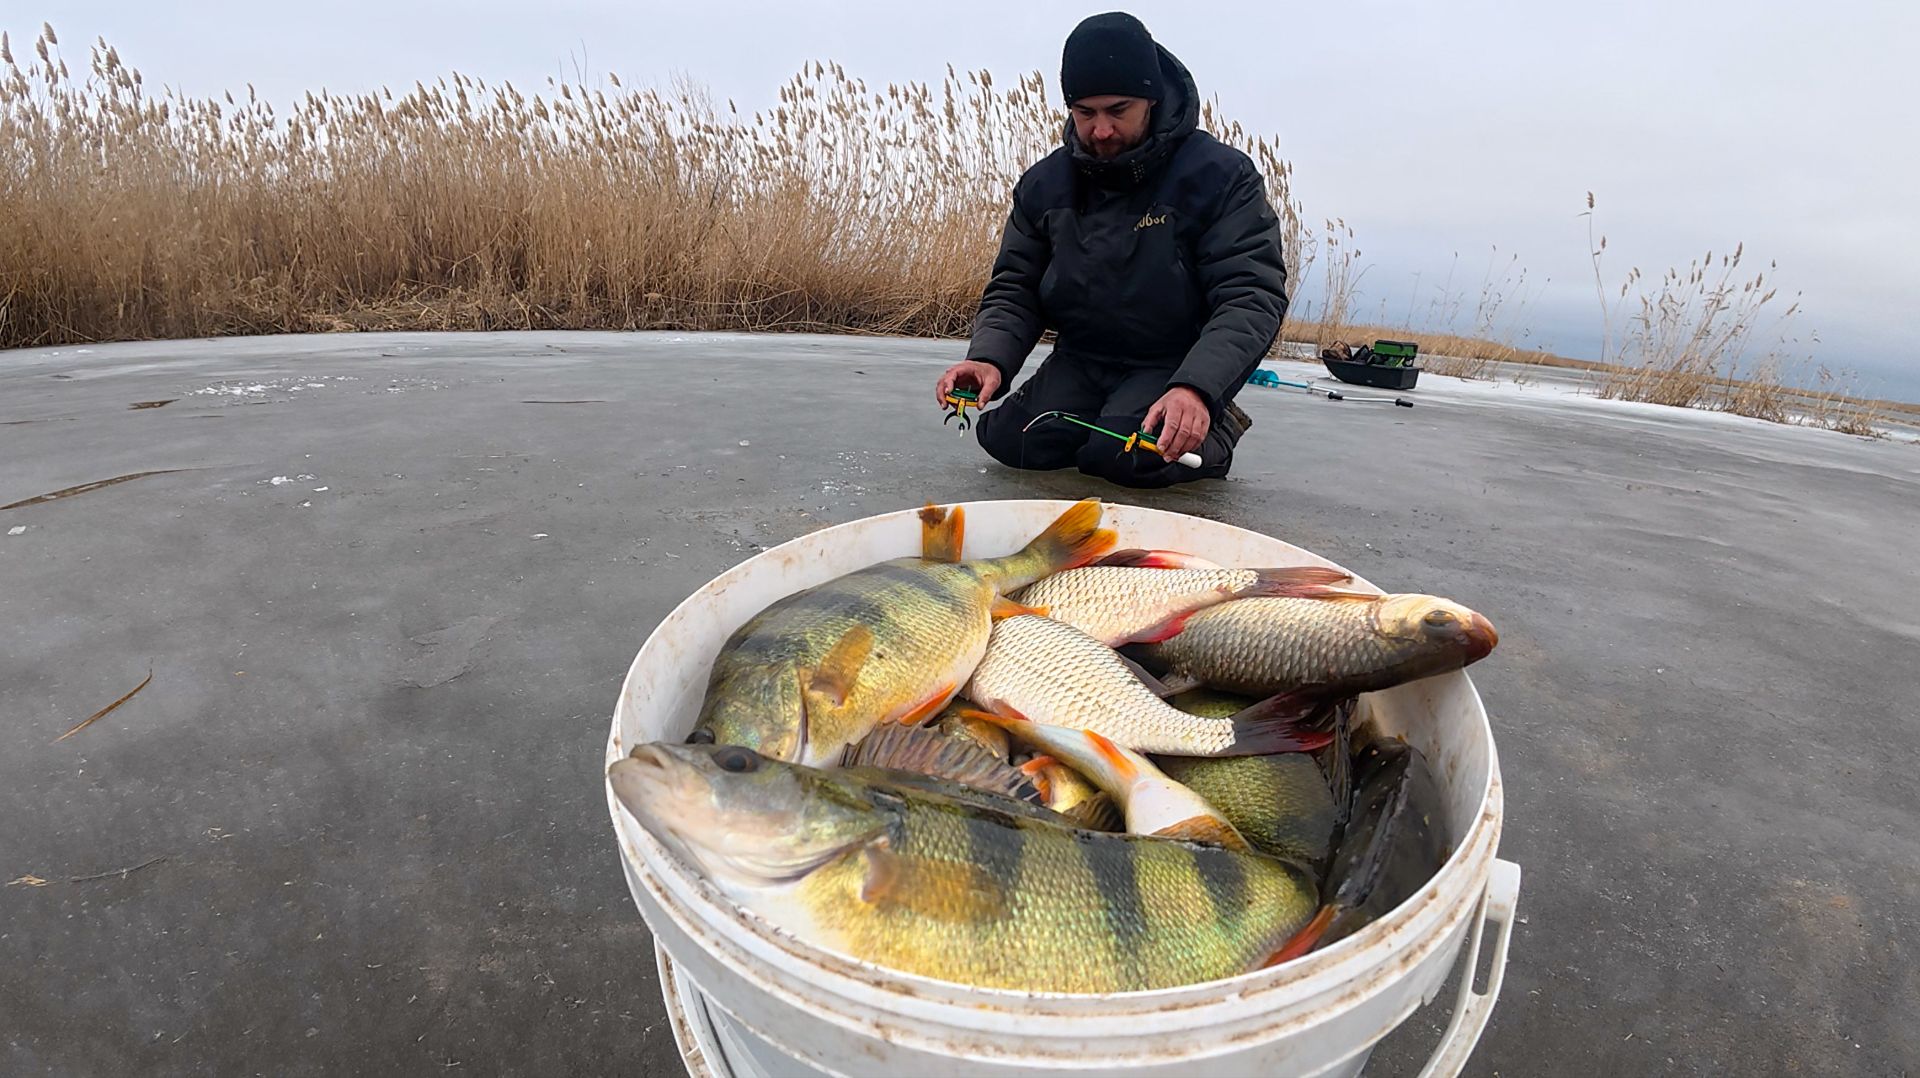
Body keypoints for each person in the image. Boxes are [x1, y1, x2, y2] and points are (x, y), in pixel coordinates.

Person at [934, 11, 1289, 489]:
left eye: (1117, 111)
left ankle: (1215, 423)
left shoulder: (1220, 177)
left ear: (1151, 99)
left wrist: (1198, 387)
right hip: (1082, 358)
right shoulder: (1044, 186)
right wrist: (988, 359)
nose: (1100, 131)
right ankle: (1118, 410)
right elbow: (1015, 287)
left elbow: (1251, 295)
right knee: (1008, 440)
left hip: (1172, 362)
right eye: (1086, 113)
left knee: (1119, 456)